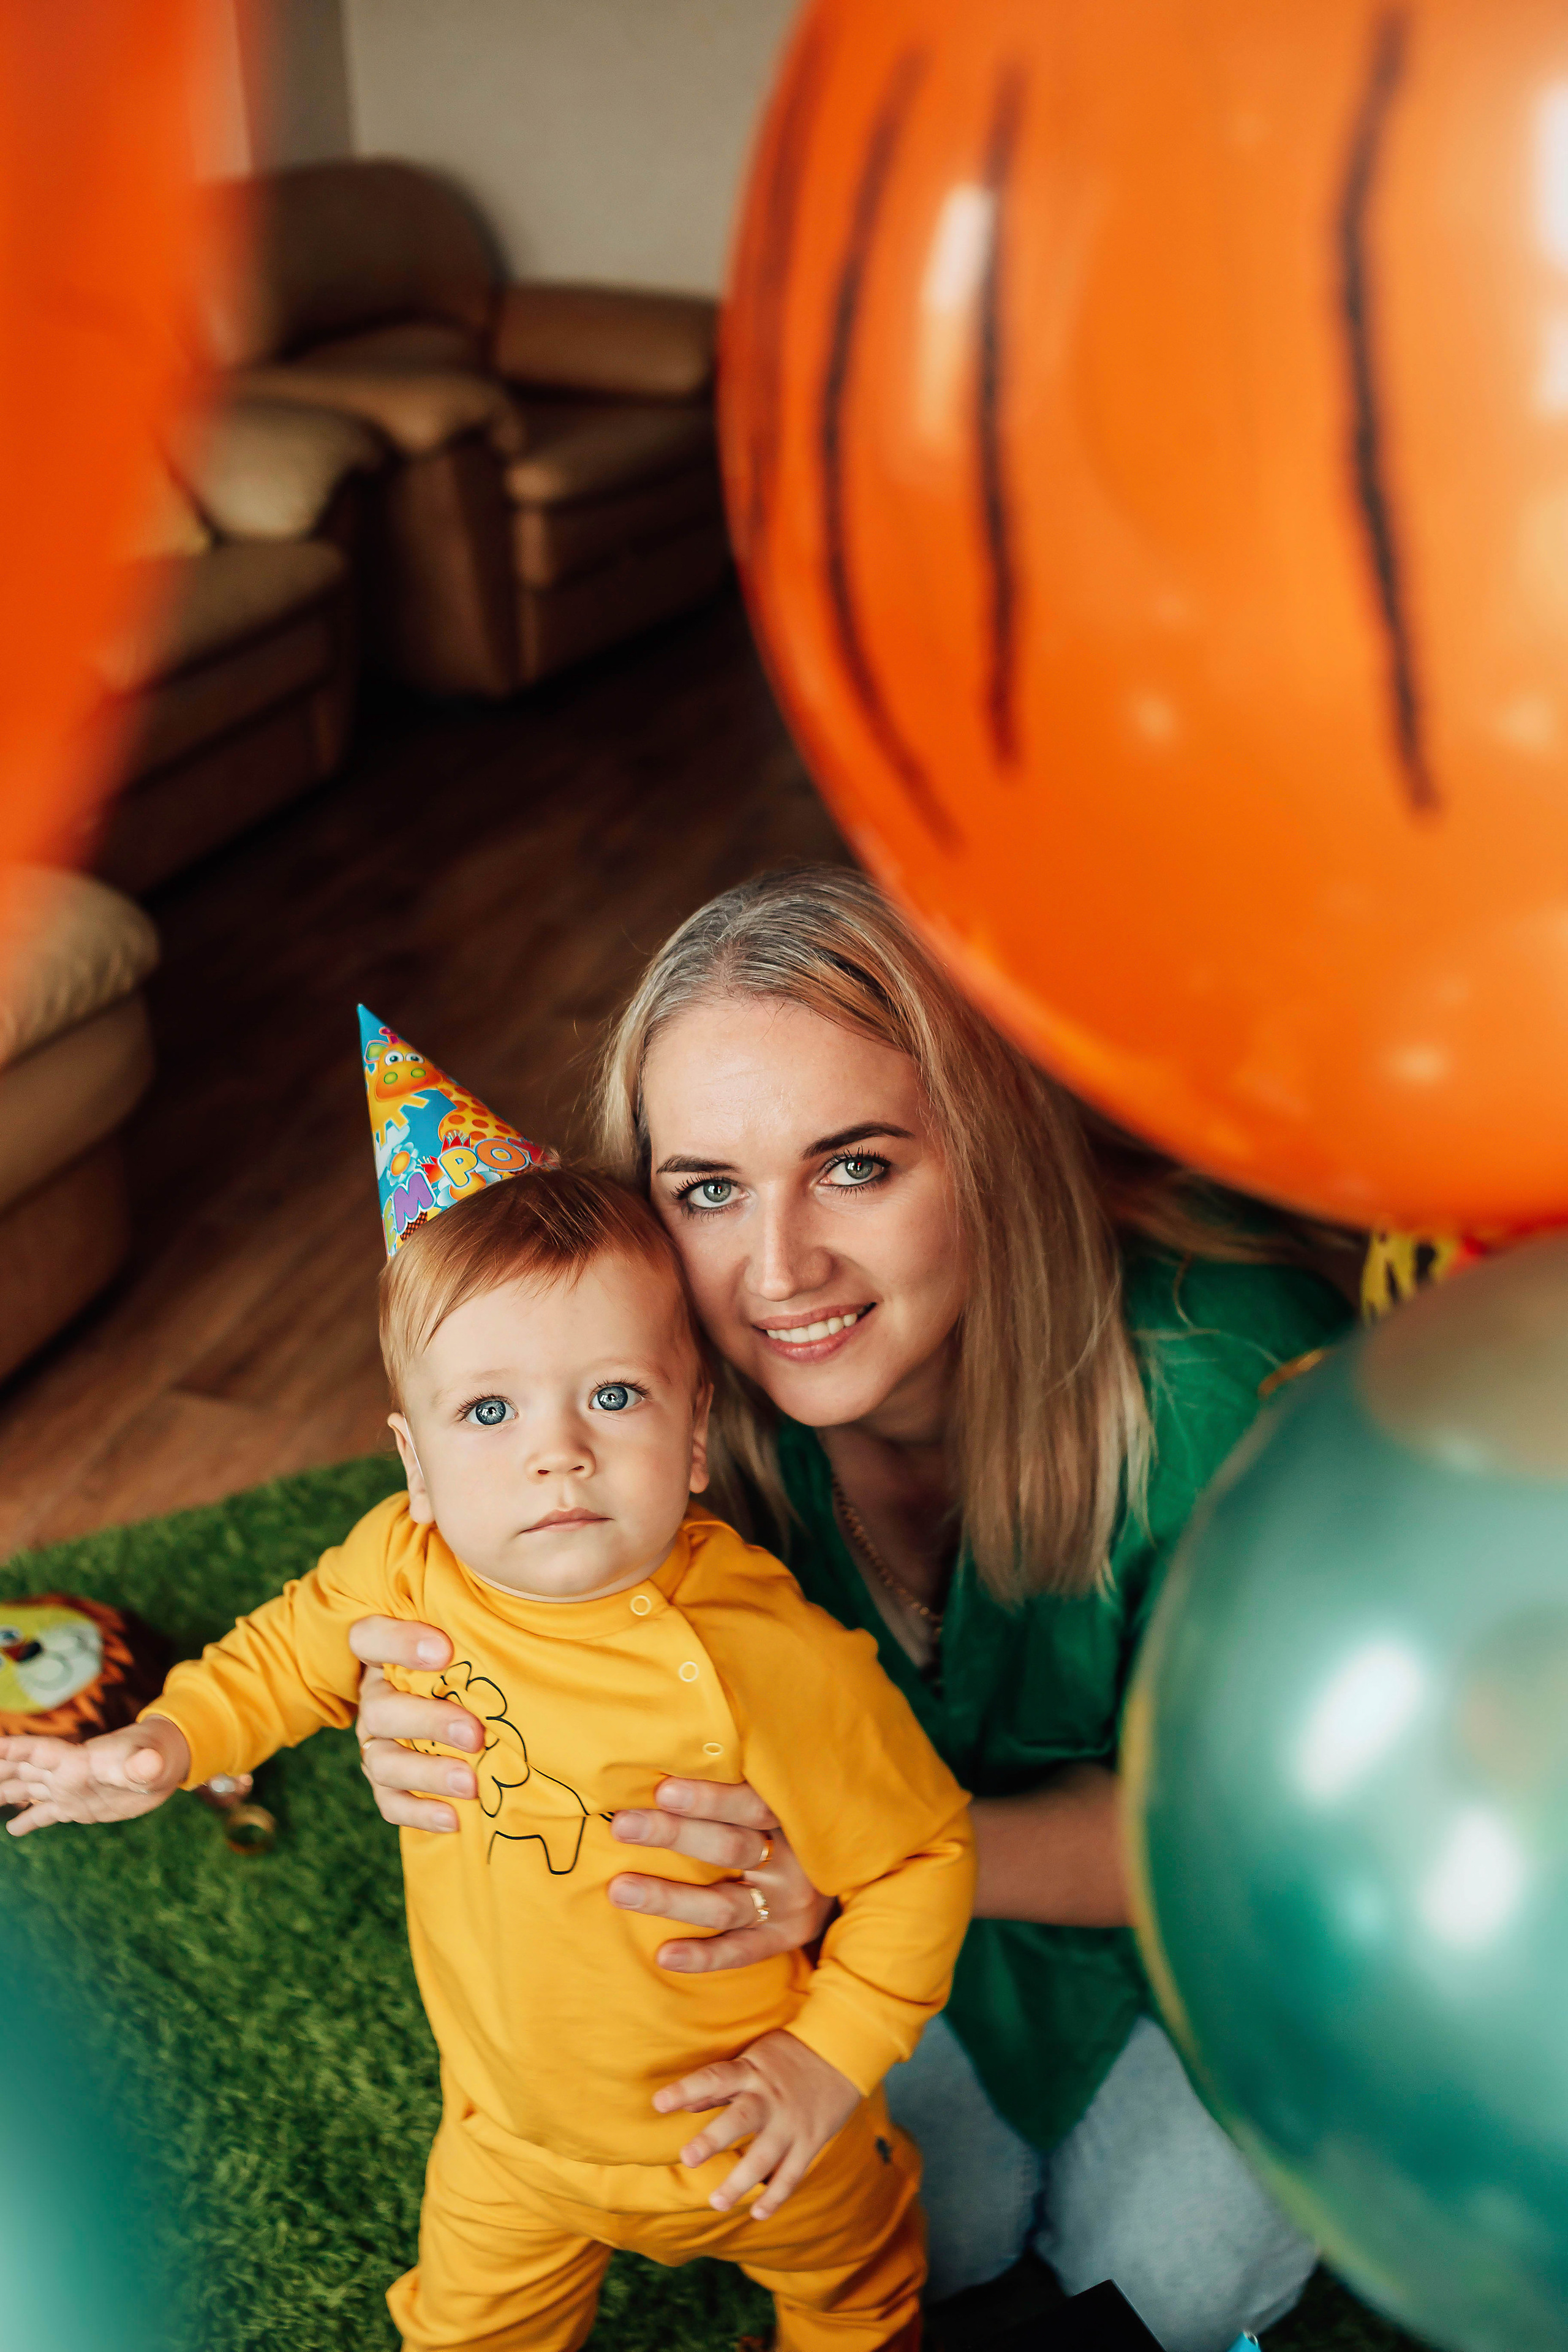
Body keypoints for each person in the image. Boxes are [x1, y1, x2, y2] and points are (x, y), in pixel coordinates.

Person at [348, 869, 1355, 2352]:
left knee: (1174, 2275)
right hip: (893, 1944)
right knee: (905, 2224)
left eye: (855, 1166)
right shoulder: (648, 1411)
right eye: (706, 1190)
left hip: (1228, 1922)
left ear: (988, 1148)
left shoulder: (1229, 1380)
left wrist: (844, 1876)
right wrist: (425, 1699)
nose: (778, 1269)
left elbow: (1264, 1849)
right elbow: (460, 1559)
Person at [0, 1039, 975, 2352]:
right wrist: (169, 1741)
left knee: (856, 2302)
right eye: (487, 1414)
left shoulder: (762, 1653)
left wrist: (823, 2062)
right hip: (506, 2131)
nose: (556, 1453)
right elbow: (291, 1653)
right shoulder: (399, 1564)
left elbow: (922, 1857)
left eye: (613, 1396)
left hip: (747, 2135)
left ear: (693, 1438)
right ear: (413, 1463)